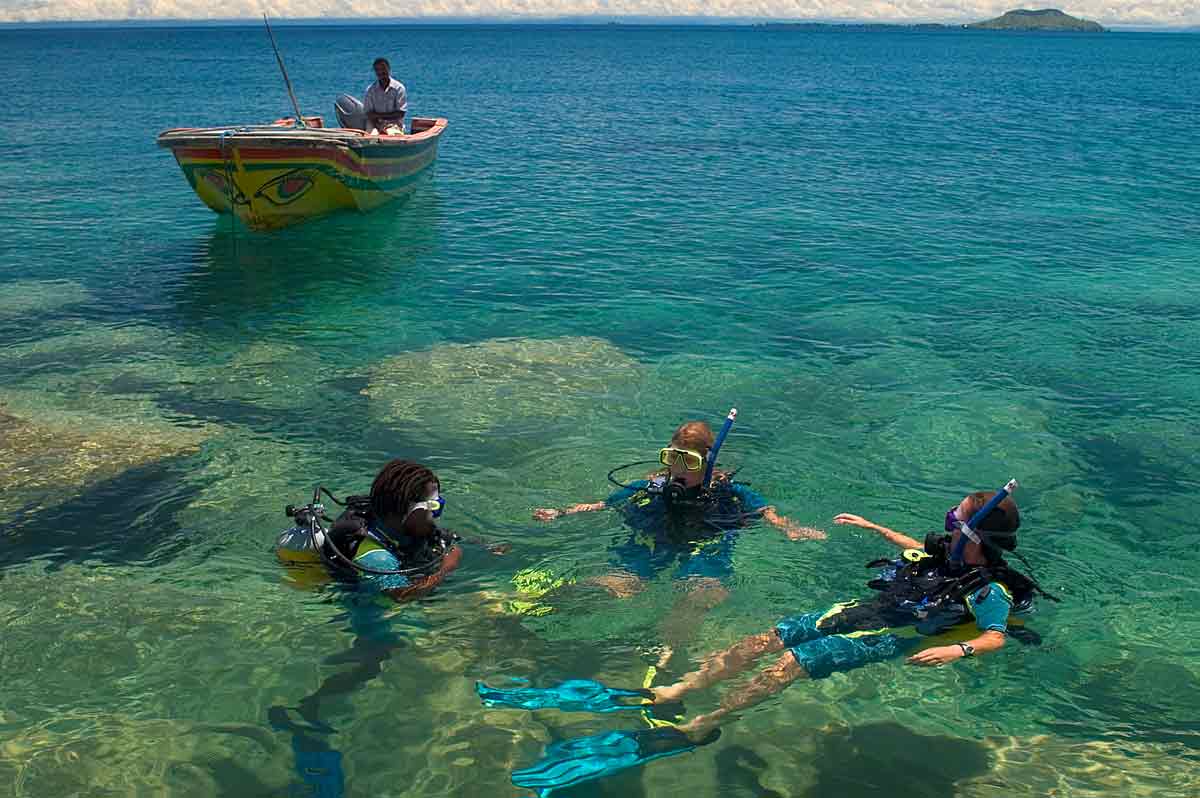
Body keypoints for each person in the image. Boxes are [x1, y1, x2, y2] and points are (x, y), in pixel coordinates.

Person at [641, 487, 1054, 738]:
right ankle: (682, 688)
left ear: (973, 535)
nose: (946, 522)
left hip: (894, 635)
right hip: (870, 610)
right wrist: (873, 527)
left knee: (789, 662)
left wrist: (956, 651)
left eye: (954, 518)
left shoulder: (988, 590)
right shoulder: (953, 552)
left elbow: (995, 636)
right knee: (767, 639)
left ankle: (706, 721)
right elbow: (922, 550)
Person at [277, 459, 462, 601]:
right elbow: (401, 595)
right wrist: (446, 569)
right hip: (361, 600)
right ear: (403, 511)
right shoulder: (375, 556)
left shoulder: (405, 524)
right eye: (435, 506)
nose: (437, 515)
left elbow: (442, 535)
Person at [364, 57, 407, 135]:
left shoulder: (399, 88)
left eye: (383, 69)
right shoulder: (370, 90)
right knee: (371, 138)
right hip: (374, 123)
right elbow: (369, 114)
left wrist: (379, 116)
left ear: (389, 69)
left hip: (394, 124)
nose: (381, 72)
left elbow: (400, 113)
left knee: (392, 136)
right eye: (378, 70)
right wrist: (378, 124)